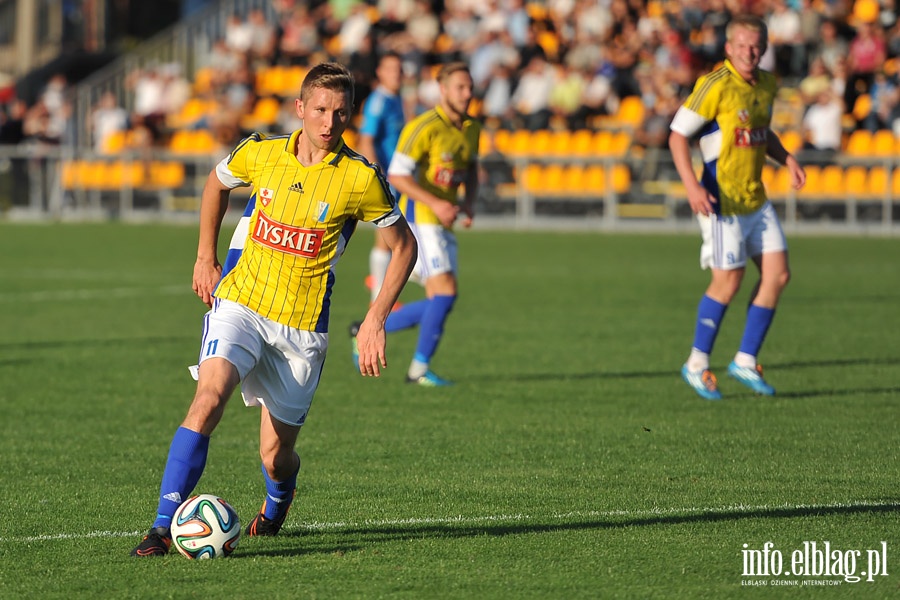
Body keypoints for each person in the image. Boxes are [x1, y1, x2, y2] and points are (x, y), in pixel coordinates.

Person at [130, 62, 417, 557]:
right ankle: (159, 528)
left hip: (301, 330)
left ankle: (279, 497)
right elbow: (216, 186)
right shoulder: (261, 153)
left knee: (275, 454)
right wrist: (205, 257)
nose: (330, 123)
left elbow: (404, 246)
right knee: (208, 399)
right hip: (241, 302)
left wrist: (375, 318)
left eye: (341, 113)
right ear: (301, 109)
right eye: (321, 110)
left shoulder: (359, 177)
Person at [668, 15, 806, 401]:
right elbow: (677, 136)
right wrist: (692, 186)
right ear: (729, 47)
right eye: (742, 44)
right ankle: (696, 364)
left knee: (777, 276)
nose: (749, 51)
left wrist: (787, 158)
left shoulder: (766, 84)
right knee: (728, 280)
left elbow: (761, 131)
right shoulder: (714, 85)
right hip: (720, 201)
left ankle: (745, 360)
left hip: (755, 198)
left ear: (764, 47)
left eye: (756, 44)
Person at [351, 62, 480, 387]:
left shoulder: (471, 128)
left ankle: (365, 329)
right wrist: (436, 202)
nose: (467, 94)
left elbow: (472, 167)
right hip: (421, 220)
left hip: (443, 222)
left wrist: (468, 201)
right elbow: (397, 174)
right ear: (443, 90)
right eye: (460, 87)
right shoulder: (424, 127)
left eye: (470, 87)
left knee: (443, 299)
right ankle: (417, 370)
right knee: (446, 294)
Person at [355, 51, 407, 305]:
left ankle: (379, 288)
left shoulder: (396, 99)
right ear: (381, 73)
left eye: (400, 69)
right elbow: (366, 139)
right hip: (387, 177)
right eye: (392, 69)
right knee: (386, 238)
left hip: (398, 176)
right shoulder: (379, 102)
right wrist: (378, 174)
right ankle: (378, 295)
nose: (397, 74)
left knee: (393, 238)